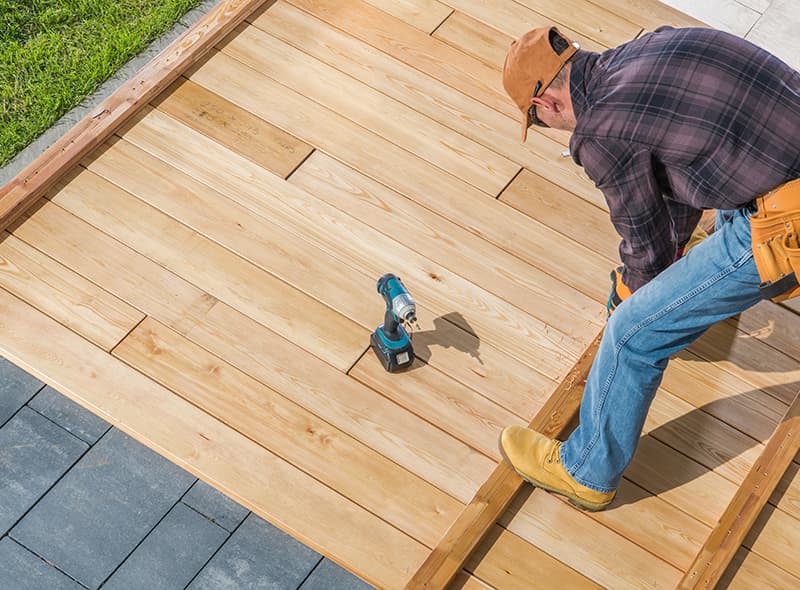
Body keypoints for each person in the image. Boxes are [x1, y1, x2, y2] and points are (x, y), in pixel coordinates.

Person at [498, 25, 800, 511]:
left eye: (540, 124)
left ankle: (587, 471)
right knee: (707, 222)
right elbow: (676, 180)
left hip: (788, 219)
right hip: (780, 153)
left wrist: (634, 293)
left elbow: (645, 243)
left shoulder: (600, 132)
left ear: (545, 105)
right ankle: (708, 297)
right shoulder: (650, 45)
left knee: (633, 335)